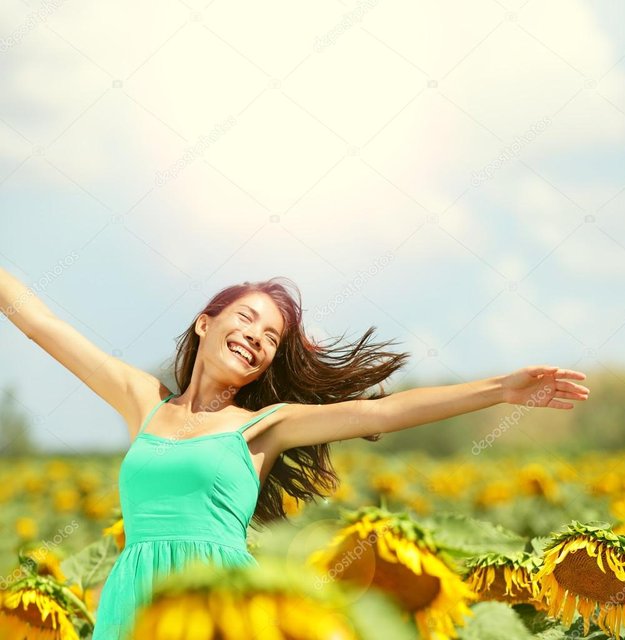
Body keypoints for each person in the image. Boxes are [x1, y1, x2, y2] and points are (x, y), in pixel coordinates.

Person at [0, 269, 590, 639]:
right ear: (205, 323)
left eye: (271, 337)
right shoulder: (142, 402)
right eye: (246, 318)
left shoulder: (264, 427)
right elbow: (41, 324)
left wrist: (499, 390)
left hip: (223, 606)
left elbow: (383, 412)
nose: (256, 336)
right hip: (130, 602)